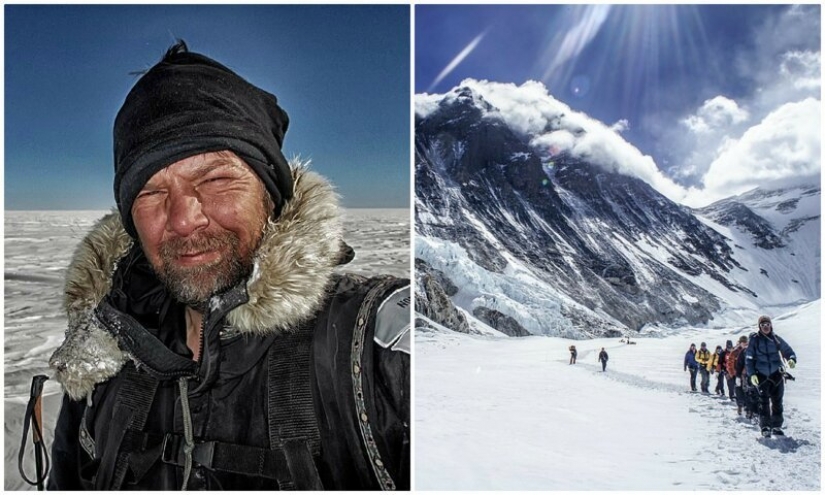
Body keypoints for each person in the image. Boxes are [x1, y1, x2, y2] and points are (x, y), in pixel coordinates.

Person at [46, 41, 410, 490]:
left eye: (217, 178)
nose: (183, 218)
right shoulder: (105, 366)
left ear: (270, 193)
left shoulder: (381, 350)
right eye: (151, 192)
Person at [746, 315, 797, 438]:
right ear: (759, 327)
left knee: (777, 401)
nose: (766, 327)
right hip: (761, 376)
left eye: (767, 324)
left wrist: (792, 359)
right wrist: (752, 374)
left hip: (777, 375)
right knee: (763, 402)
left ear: (771, 325)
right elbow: (749, 359)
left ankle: (776, 426)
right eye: (763, 325)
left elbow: (788, 350)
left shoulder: (776, 339)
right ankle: (765, 427)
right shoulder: (755, 340)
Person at [729, 336, 750, 417]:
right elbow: (730, 363)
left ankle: (748, 408)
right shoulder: (734, 352)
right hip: (737, 375)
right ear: (740, 343)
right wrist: (732, 373)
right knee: (739, 391)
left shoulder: (749, 351)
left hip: (747, 375)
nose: (745, 344)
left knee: (748, 392)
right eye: (744, 342)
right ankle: (740, 406)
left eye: (746, 342)